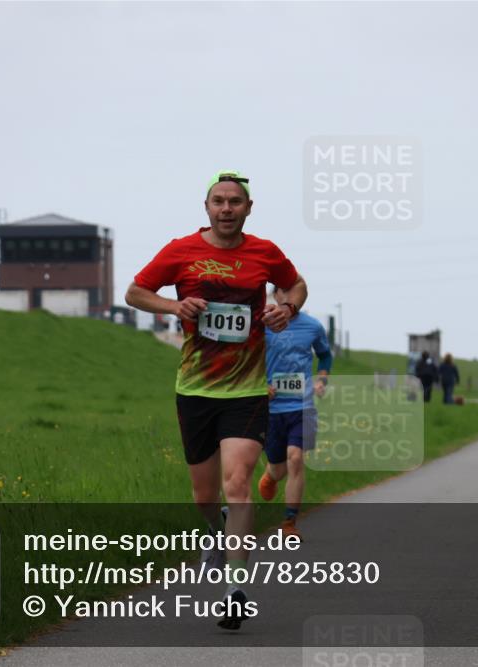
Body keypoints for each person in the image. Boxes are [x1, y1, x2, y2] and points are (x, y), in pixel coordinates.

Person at [125, 170, 307, 630]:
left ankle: (235, 589)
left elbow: (298, 284)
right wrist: (173, 307)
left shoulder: (266, 252)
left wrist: (288, 308)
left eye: (235, 202)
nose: (227, 208)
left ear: (249, 208)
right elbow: (134, 292)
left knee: (239, 481)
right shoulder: (180, 250)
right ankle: (217, 527)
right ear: (206, 208)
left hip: (246, 390)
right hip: (195, 389)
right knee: (205, 496)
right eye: (218, 201)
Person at [258, 286, 333, 541]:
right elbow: (247, 359)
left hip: (302, 407)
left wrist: (322, 379)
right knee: (279, 469)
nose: (288, 297)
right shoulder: (262, 323)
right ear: (275, 296)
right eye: (283, 292)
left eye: (293, 291)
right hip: (272, 409)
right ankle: (269, 476)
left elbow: (325, 356)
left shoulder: (312, 327)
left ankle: (289, 523)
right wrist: (259, 385)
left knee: (296, 458)